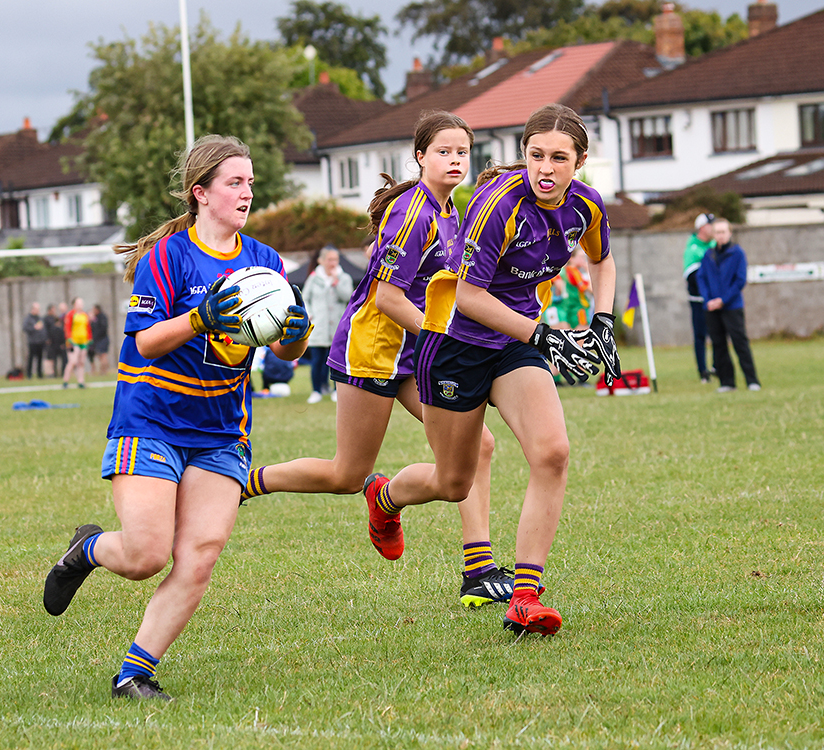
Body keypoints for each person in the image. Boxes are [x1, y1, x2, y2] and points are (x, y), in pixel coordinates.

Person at [41, 134, 312, 701]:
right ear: (202, 193)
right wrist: (201, 316)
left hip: (219, 431)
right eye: (234, 182)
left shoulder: (265, 262)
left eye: (250, 182)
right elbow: (146, 342)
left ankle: (134, 674)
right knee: (145, 555)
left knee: (199, 557)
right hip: (151, 420)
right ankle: (87, 549)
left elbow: (283, 353)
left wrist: (294, 335)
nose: (246, 192)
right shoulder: (168, 256)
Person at [359, 103, 621, 637]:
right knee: (454, 482)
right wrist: (546, 336)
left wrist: (603, 322)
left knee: (552, 452)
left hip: (513, 344)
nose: (545, 168)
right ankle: (383, 496)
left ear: (581, 161)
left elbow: (603, 260)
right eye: (535, 156)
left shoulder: (587, 205)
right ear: (523, 155)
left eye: (559, 158)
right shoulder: (499, 204)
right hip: (454, 345)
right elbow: (470, 297)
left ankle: (525, 596)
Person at [242, 110, 515, 609]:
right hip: (372, 350)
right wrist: (448, 336)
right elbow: (388, 299)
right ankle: (247, 482)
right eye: (443, 151)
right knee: (346, 475)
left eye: (462, 152)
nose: (455, 160)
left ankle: (476, 568)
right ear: (420, 156)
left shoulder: (452, 213)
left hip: (418, 351)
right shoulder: (412, 212)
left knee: (480, 447)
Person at [698, 218, 760, 393]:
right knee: (718, 344)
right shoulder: (708, 255)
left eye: (723, 232)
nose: (720, 236)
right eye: (717, 232)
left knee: (740, 343)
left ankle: (752, 380)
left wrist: (723, 300)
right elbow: (701, 278)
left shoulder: (737, 253)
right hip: (711, 308)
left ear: (730, 233)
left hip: (732, 306)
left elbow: (740, 281)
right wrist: (708, 299)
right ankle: (727, 382)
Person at [302, 244, 353, 403]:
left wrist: (336, 283)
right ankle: (316, 390)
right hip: (319, 325)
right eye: (330, 259)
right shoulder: (314, 277)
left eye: (335, 259)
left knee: (337, 361)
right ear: (321, 261)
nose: (333, 263)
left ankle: (336, 390)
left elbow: (348, 298)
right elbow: (305, 297)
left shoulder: (344, 277)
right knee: (317, 360)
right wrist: (309, 314)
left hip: (337, 326)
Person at [684, 213, 715, 383]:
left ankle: (717, 367)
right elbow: (692, 276)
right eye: (711, 225)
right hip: (698, 301)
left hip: (715, 300)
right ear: (702, 227)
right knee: (700, 336)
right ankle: (703, 372)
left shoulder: (714, 245)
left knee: (718, 334)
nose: (714, 228)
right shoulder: (693, 248)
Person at [62, 297, 90, 389]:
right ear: (74, 304)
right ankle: (65, 381)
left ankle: (81, 381)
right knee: (73, 361)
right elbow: (67, 327)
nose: (80, 305)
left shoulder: (84, 315)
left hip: (83, 341)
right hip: (74, 341)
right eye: (78, 303)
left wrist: (89, 339)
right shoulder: (71, 314)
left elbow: (88, 327)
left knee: (81, 362)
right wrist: (69, 339)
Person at [23, 302, 47, 379]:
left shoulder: (40, 318)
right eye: (36, 309)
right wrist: (34, 328)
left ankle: (39, 374)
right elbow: (25, 328)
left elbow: (43, 329)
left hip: (40, 341)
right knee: (31, 358)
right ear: (33, 309)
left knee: (40, 358)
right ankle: (29, 374)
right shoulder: (28, 318)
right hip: (32, 342)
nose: (37, 310)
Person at [90, 303, 111, 375]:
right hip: (98, 340)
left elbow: (103, 329)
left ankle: (104, 371)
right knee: (100, 355)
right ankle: (103, 370)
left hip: (103, 339)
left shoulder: (102, 317)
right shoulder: (95, 318)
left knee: (103, 355)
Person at [43, 304, 62, 377]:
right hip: (50, 341)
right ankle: (50, 373)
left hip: (56, 341)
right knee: (50, 358)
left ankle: (56, 373)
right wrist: (47, 338)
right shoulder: (46, 319)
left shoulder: (55, 318)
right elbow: (45, 330)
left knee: (56, 358)